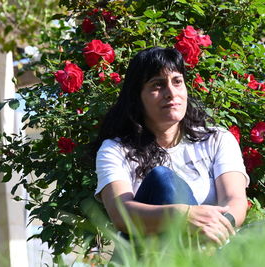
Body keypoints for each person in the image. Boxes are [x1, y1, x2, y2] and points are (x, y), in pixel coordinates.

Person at [94, 47, 249, 246]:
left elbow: (234, 200)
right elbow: (122, 214)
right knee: (162, 179)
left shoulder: (217, 139)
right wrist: (181, 216)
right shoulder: (115, 150)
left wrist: (215, 229)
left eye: (177, 82)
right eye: (157, 85)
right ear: (137, 97)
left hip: (212, 250)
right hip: (149, 256)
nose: (171, 93)